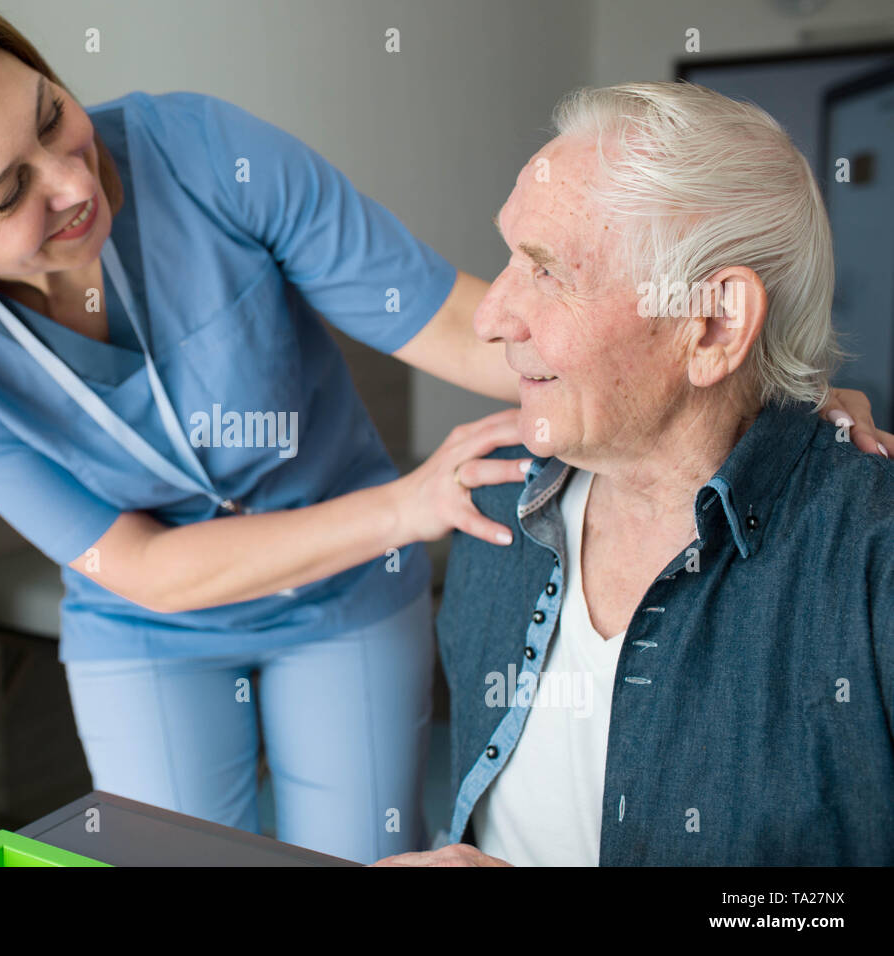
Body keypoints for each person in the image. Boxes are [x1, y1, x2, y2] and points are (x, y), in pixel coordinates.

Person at [0, 0, 884, 866]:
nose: (72, 178)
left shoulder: (202, 154)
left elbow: (458, 322)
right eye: (7, 193)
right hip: (154, 616)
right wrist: (408, 501)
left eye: (54, 114)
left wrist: (752, 389)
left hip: (351, 594)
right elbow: (138, 561)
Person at [375, 81, 894, 867]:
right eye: (511, 257)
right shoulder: (493, 508)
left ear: (715, 325)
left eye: (549, 273)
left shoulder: (871, 564)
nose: (489, 319)